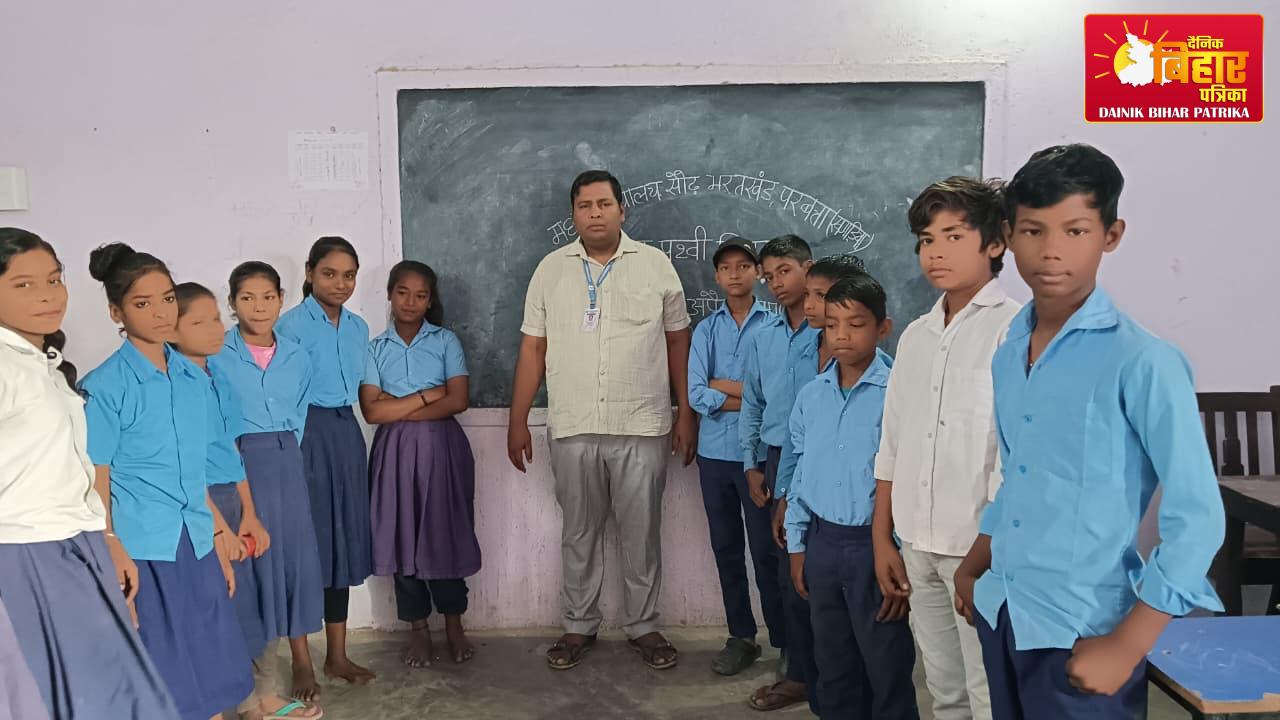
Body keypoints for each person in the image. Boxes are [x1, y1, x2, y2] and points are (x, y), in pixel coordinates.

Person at [953, 144, 1226, 719]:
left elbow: (1198, 516)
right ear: (1008, 235)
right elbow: (1020, 475)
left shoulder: (1143, 361)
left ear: (1111, 235)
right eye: (1033, 231)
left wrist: (1130, 644)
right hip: (1005, 609)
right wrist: (976, 562)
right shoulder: (1010, 352)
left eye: (1075, 231)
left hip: (1084, 629)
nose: (1051, 251)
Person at [507, 169, 696, 671]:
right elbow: (533, 348)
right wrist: (517, 418)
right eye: (585, 205)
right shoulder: (550, 270)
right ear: (573, 214)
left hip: (643, 422)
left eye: (604, 204)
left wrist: (685, 412)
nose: (595, 213)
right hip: (573, 423)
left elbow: (678, 342)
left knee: (642, 532)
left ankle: (644, 625)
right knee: (579, 532)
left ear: (621, 210)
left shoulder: (655, 266)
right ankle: (578, 624)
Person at [0, 228, 178, 719]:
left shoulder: (42, 364)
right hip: (24, 553)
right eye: (23, 285)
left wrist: (104, 540)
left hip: (73, 542)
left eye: (54, 280)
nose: (48, 295)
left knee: (110, 694)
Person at [80, 242, 252, 720]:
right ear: (116, 312)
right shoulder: (105, 386)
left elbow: (192, 472)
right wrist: (112, 549)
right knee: (166, 673)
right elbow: (97, 478)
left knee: (212, 665)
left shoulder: (193, 379)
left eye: (168, 298)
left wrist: (217, 537)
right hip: (144, 548)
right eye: (142, 303)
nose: (160, 313)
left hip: (195, 539)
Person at [871, 177, 1020, 720]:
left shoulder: (1015, 331)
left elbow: (1016, 457)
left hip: (977, 548)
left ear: (996, 242)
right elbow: (892, 442)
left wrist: (983, 553)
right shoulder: (916, 336)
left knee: (989, 691)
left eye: (954, 236)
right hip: (917, 541)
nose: (935, 252)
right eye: (926, 240)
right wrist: (883, 538)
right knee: (943, 689)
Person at [175, 282, 322, 720]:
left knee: (258, 593)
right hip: (204, 501)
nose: (214, 329)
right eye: (198, 322)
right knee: (224, 602)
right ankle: (236, 702)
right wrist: (220, 525)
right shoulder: (175, 384)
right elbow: (185, 465)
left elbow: (230, 450)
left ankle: (261, 696)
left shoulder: (216, 376)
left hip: (237, 493)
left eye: (214, 319)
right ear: (171, 329)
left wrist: (251, 513)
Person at [784, 274, 918, 720]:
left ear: (883, 328)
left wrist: (897, 551)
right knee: (832, 663)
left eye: (856, 324)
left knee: (886, 664)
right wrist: (798, 545)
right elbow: (802, 473)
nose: (841, 335)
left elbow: (909, 480)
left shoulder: (898, 395)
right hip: (822, 542)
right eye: (831, 325)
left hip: (874, 547)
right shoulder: (811, 396)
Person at [211, 261, 328, 711]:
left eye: (267, 297)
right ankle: (250, 683)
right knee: (250, 565)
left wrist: (284, 450)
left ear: (282, 299)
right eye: (247, 298)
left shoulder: (297, 355)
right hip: (238, 465)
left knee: (288, 561)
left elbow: (299, 412)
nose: (258, 307)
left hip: (286, 461)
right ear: (232, 303)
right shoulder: (217, 353)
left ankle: (289, 669)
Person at [361, 260, 480, 669]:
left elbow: (458, 400)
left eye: (421, 295)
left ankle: (454, 625)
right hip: (393, 454)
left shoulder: (445, 341)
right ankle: (418, 630)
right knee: (402, 538)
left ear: (431, 301)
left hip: (441, 449)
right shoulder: (375, 348)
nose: (410, 302)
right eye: (402, 292)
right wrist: (428, 396)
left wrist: (399, 408)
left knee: (444, 533)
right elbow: (372, 412)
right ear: (390, 295)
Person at [276, 236, 376, 693]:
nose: (340, 283)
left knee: (342, 544)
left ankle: (337, 655)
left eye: (349, 275)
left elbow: (363, 389)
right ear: (309, 273)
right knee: (304, 546)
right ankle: (301, 660)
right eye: (329, 273)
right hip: (304, 435)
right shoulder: (290, 326)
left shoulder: (358, 328)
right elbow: (281, 394)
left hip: (345, 434)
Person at [687, 237, 778, 676]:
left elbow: (776, 393)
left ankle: (786, 641)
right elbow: (695, 392)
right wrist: (747, 395)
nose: (735, 273)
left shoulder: (775, 326)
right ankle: (741, 637)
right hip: (714, 457)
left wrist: (722, 386)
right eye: (726, 267)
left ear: (758, 272)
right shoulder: (706, 330)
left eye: (744, 265)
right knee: (726, 548)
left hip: (758, 456)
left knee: (767, 551)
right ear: (717, 276)